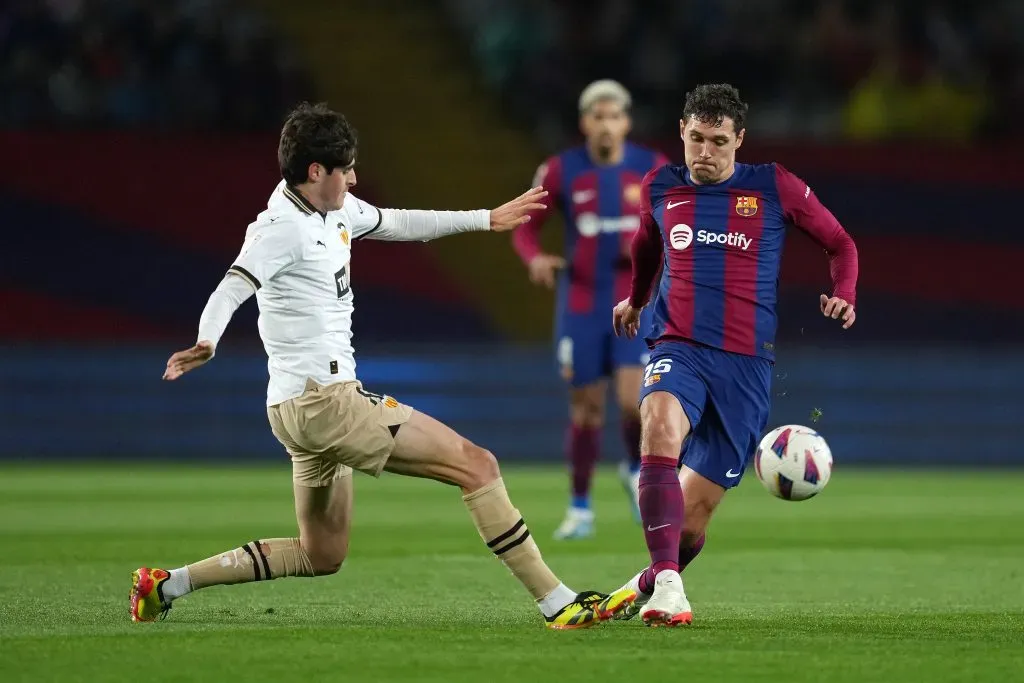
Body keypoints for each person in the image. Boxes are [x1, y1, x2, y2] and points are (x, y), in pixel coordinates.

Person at [129, 102, 635, 630]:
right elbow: (233, 285)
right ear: (316, 171)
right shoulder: (279, 228)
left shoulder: (333, 207)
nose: (354, 177)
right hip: (326, 401)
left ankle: (166, 584)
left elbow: (397, 222)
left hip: (293, 408)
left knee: (320, 554)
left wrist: (486, 219)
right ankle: (558, 602)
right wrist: (206, 341)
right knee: (477, 466)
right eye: (345, 168)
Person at [610, 84, 859, 626]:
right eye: (695, 138)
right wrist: (637, 297)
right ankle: (670, 589)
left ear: (739, 140)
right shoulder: (661, 186)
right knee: (657, 422)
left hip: (745, 365)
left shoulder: (774, 186)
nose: (704, 152)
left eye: (718, 142)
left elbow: (841, 243)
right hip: (677, 343)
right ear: (681, 131)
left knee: (693, 520)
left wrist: (845, 293)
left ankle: (654, 578)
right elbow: (647, 246)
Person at [513, 80, 669, 540]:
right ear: (585, 123)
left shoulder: (651, 168)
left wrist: (650, 248)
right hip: (581, 305)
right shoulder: (561, 171)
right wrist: (534, 258)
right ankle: (580, 507)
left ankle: (633, 469)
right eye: (597, 117)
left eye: (614, 116)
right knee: (586, 412)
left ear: (626, 122)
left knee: (631, 401)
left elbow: (675, 219)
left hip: (633, 302)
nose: (606, 125)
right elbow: (526, 226)